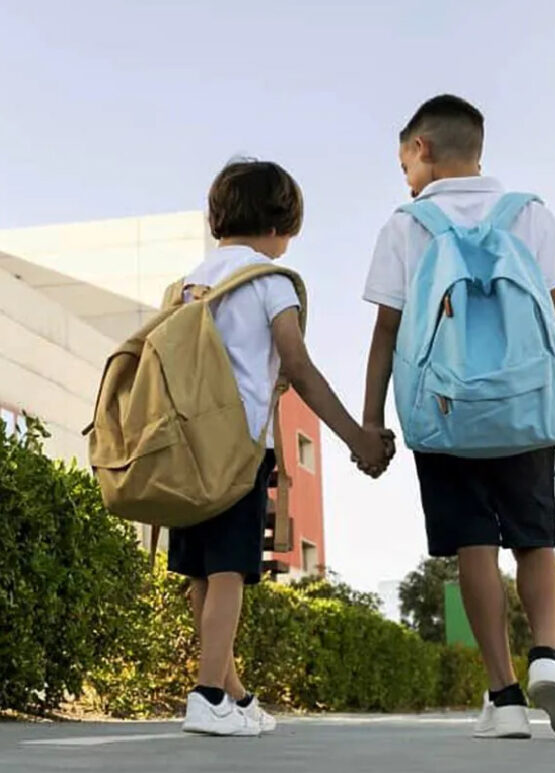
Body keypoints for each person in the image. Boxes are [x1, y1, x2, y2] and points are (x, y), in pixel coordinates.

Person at [360, 95, 555, 740]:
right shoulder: (528, 213)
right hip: (523, 404)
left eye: (403, 160)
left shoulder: (406, 226)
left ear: (423, 149)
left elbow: (385, 332)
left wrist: (371, 422)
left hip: (442, 412)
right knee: (535, 537)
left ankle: (505, 697)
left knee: (474, 543)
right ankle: (549, 654)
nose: (404, 176)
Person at [174, 158, 395, 737]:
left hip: (185, 447)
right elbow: (296, 367)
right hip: (238, 447)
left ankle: (236, 698)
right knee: (229, 573)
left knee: (201, 575)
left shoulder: (189, 283)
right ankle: (206, 694)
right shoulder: (269, 282)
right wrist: (357, 437)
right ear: (284, 223)